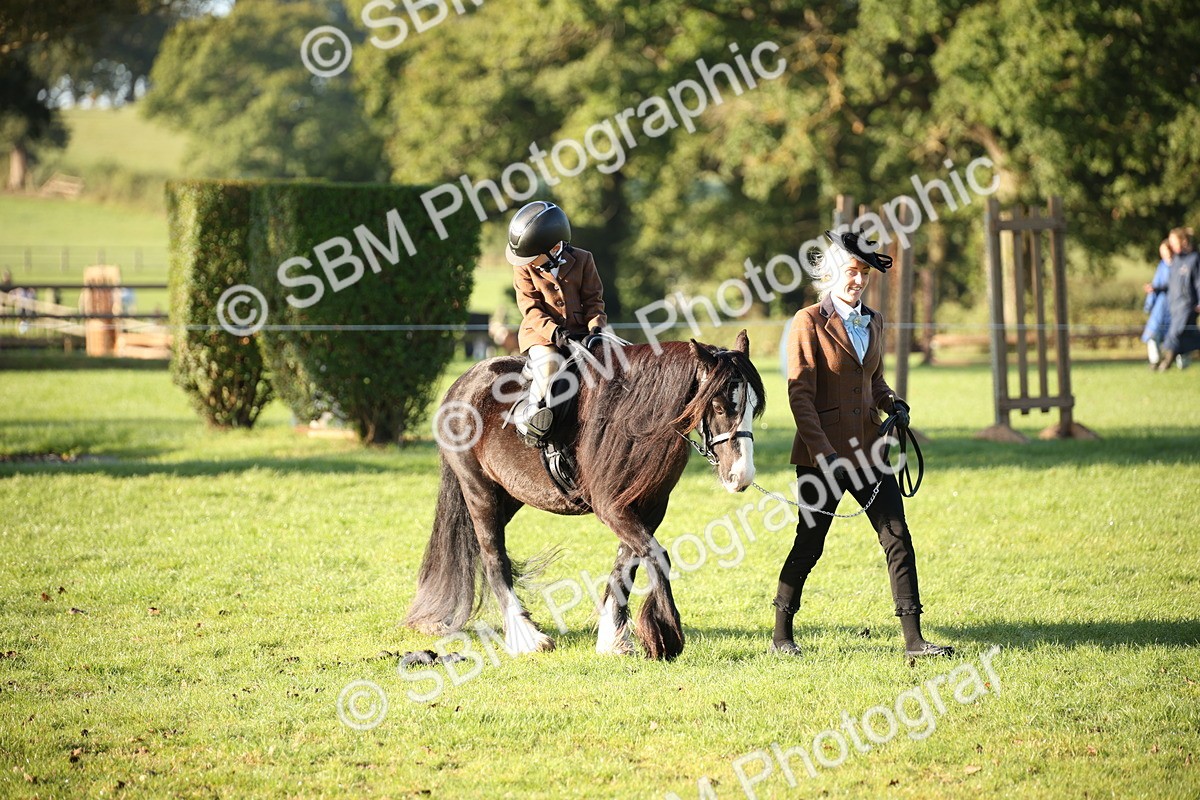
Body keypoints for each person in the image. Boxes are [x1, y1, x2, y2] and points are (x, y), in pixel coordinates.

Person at [775, 230, 953, 660]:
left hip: (871, 449)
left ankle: (914, 641)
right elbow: (799, 396)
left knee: (897, 536)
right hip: (823, 457)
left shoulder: (873, 320)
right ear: (834, 273)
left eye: (865, 275)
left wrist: (892, 401)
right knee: (810, 542)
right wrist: (824, 455)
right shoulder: (807, 321)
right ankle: (781, 634)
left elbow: (873, 379)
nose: (859, 280)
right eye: (854, 272)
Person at [507, 200, 607, 444]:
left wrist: (595, 330)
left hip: (580, 333)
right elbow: (530, 309)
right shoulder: (524, 269)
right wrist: (555, 333)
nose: (527, 262)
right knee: (549, 366)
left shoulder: (584, 260)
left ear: (554, 247)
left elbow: (594, 302)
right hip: (541, 334)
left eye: (533, 256)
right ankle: (535, 420)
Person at [1157, 227, 1200, 371]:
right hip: (1174, 305)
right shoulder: (1176, 261)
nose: (1171, 245)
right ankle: (1177, 362)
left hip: (1187, 305)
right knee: (1189, 336)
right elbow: (1171, 283)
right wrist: (1156, 288)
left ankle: (1166, 363)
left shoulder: (1194, 259)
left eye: (1173, 242)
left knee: (1174, 334)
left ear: (1183, 241)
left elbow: (1198, 282)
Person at [1142, 239, 1174, 368]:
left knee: (1174, 334)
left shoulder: (1179, 265)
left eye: (1164, 250)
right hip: (1160, 306)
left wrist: (1157, 288)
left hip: (1172, 305)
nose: (1163, 253)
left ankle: (1177, 361)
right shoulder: (1162, 266)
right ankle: (1155, 361)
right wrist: (1149, 303)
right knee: (1152, 333)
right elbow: (1156, 283)